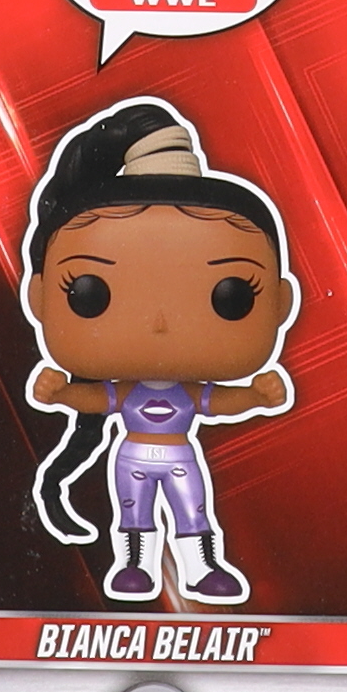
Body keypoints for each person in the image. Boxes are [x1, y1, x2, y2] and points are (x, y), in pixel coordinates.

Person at [21, 99, 299, 604]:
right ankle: (135, 566)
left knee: (193, 512)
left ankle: (203, 567)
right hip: (131, 457)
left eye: (231, 295)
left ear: (281, 303)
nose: (160, 324)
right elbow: (96, 399)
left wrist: (256, 397)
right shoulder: (125, 392)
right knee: (134, 514)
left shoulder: (187, 395)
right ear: (38, 298)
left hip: (178, 456)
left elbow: (220, 403)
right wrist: (61, 393)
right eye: (89, 292)